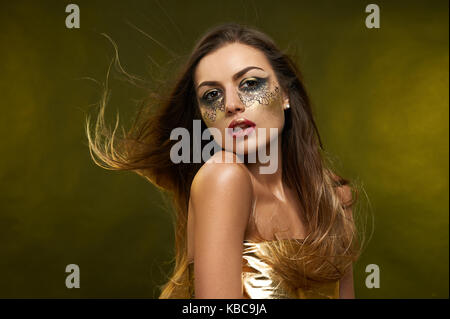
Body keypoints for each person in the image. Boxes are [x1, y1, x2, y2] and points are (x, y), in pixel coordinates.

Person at [86, 23, 364, 299]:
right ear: (204, 118)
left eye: (250, 84)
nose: (231, 104)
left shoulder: (333, 197)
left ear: (285, 95)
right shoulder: (223, 179)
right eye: (212, 95)